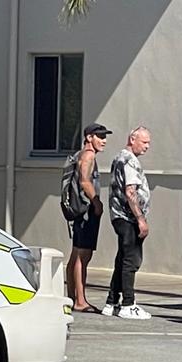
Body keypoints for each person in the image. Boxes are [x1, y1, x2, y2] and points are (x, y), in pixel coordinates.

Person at [101, 126, 152, 320]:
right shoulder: (130, 161)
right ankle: (128, 304)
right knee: (132, 260)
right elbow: (130, 192)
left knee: (122, 259)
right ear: (132, 139)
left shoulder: (120, 157)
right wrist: (140, 219)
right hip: (127, 217)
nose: (147, 146)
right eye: (145, 142)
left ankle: (112, 301)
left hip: (120, 216)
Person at [66, 122, 112, 313]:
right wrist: (96, 202)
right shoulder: (88, 155)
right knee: (83, 255)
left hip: (79, 212)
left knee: (76, 254)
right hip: (85, 211)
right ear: (89, 137)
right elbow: (84, 181)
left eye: (104, 136)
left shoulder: (79, 155)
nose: (104, 140)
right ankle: (80, 300)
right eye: (100, 136)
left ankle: (71, 296)